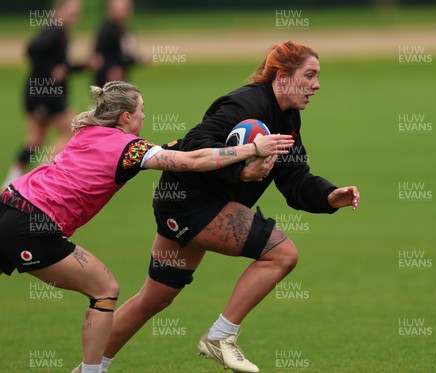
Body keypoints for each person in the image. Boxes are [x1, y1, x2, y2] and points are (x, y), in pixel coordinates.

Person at [100, 41, 360, 373]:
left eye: (317, 77)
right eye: (309, 75)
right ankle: (221, 337)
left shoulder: (287, 118)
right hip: (189, 202)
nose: (316, 85)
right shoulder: (245, 102)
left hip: (190, 203)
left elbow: (294, 178)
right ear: (282, 76)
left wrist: (329, 196)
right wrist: (241, 169)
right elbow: (196, 145)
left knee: (156, 296)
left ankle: (91, 367)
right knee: (281, 253)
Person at [0, 81, 293, 373]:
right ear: (126, 117)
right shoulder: (129, 149)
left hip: (9, 203)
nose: (145, 116)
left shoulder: (86, 133)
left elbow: (164, 152)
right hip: (33, 223)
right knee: (105, 290)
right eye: (142, 110)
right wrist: (251, 149)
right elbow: (190, 163)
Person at [2, 0, 84, 189]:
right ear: (59, 10)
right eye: (71, 11)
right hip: (44, 96)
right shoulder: (54, 31)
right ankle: (44, 173)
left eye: (77, 12)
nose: (74, 16)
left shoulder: (61, 33)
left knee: (35, 140)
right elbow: (32, 49)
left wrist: (82, 65)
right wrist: (51, 71)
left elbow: (61, 67)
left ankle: (9, 182)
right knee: (73, 128)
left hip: (36, 93)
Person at [91, 0, 143, 87]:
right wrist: (111, 70)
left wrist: (136, 59)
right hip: (108, 84)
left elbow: (125, 55)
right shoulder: (106, 29)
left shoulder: (123, 28)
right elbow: (97, 59)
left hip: (121, 82)